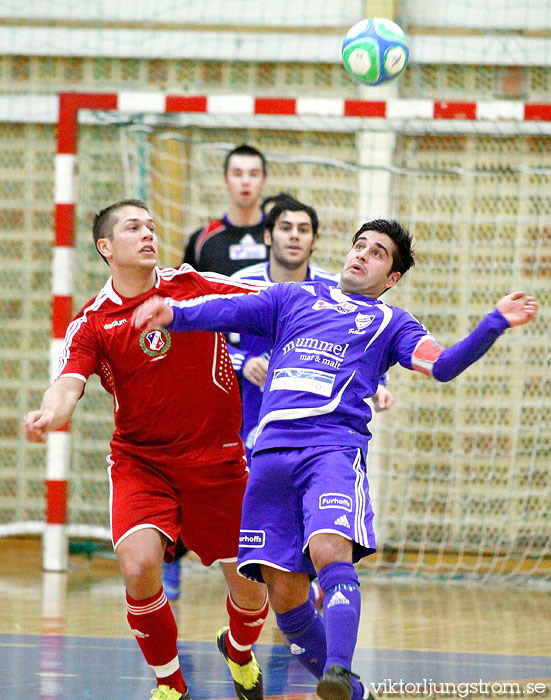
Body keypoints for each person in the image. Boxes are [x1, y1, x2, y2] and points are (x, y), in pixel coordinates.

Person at [132, 218, 538, 700]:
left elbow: (443, 365)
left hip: (332, 450)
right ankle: (353, 691)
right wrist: (172, 315)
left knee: (329, 549)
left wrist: (494, 322)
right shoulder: (294, 297)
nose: (362, 254)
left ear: (392, 279)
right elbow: (227, 310)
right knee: (286, 597)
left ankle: (340, 671)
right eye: (359, 245)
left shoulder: (393, 323)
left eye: (379, 253)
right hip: (270, 457)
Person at [22, 199, 269, 700]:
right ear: (106, 247)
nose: (148, 234)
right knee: (137, 567)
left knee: (251, 589)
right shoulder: (92, 322)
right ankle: (170, 683)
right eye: (134, 227)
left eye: (152, 226)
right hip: (143, 463)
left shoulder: (193, 285)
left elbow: (270, 300)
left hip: (218, 463)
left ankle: (239, 652)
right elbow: (67, 383)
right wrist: (50, 413)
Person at [229, 196, 394, 464]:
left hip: (314, 424)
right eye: (286, 228)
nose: (294, 236)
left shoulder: (333, 290)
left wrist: (379, 383)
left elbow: (363, 340)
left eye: (303, 230)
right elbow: (210, 342)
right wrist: (243, 362)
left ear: (314, 240)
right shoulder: (241, 283)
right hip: (250, 416)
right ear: (268, 237)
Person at [183, 144, 268, 276]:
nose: (245, 181)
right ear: (226, 179)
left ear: (264, 180)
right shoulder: (202, 239)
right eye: (237, 174)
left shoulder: (279, 237)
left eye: (253, 174)